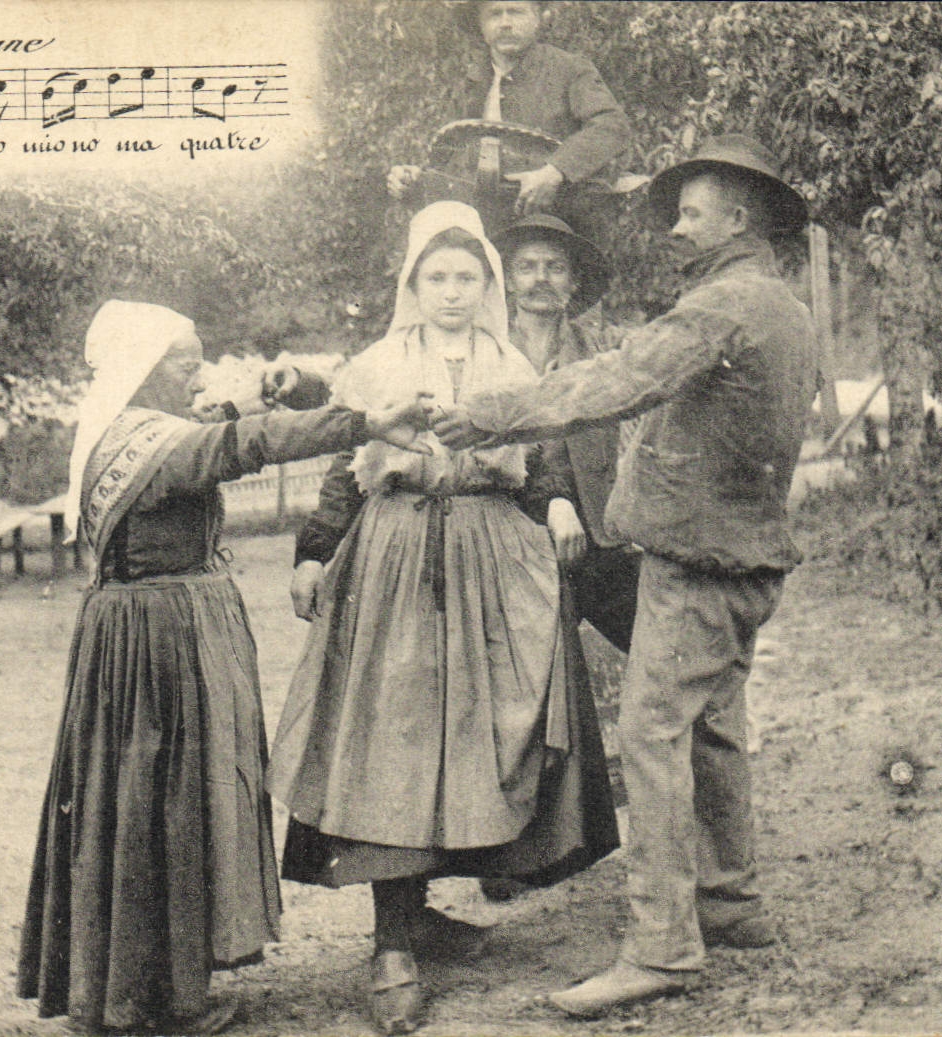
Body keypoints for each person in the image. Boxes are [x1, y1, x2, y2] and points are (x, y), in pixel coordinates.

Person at [428, 135, 818, 1018]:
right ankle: (729, 901)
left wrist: (489, 413)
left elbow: (614, 381)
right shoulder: (784, 307)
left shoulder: (721, 306)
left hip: (694, 563)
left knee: (650, 739)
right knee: (713, 728)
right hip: (750, 559)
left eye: (690, 212)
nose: (676, 229)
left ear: (740, 217)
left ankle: (662, 947)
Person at [16, 301, 426, 1036]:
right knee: (171, 800)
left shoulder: (120, 434)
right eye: (184, 361)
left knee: (134, 801)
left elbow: (230, 417)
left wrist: (263, 388)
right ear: (143, 372)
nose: (198, 372)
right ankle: (163, 1001)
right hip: (163, 639)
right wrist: (361, 424)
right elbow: (246, 444)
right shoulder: (157, 446)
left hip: (133, 634)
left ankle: (129, 988)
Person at [269, 201, 619, 1035]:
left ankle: (428, 909)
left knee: (482, 734)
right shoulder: (376, 363)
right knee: (392, 738)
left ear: (485, 285)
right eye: (437, 278)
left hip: (493, 555)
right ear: (413, 284)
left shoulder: (509, 364)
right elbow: (346, 476)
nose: (452, 292)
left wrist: (563, 504)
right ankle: (391, 939)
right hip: (393, 558)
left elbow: (545, 460)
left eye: (467, 277)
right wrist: (315, 553)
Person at [476, 212, 640, 905]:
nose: (541, 279)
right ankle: (502, 849)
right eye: (528, 267)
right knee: (514, 692)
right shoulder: (485, 349)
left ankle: (681, 818)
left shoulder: (602, 346)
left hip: (598, 536)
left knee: (662, 647)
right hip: (514, 533)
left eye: (555, 267)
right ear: (508, 280)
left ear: (573, 282)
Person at [387, 1, 633, 218]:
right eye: (495, 14)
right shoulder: (471, 81)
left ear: (538, 18)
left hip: (552, 217)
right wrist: (415, 178)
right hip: (481, 217)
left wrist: (556, 171)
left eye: (516, 12)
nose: (505, 23)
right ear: (481, 26)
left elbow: (611, 126)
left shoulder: (569, 69)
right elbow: (450, 155)